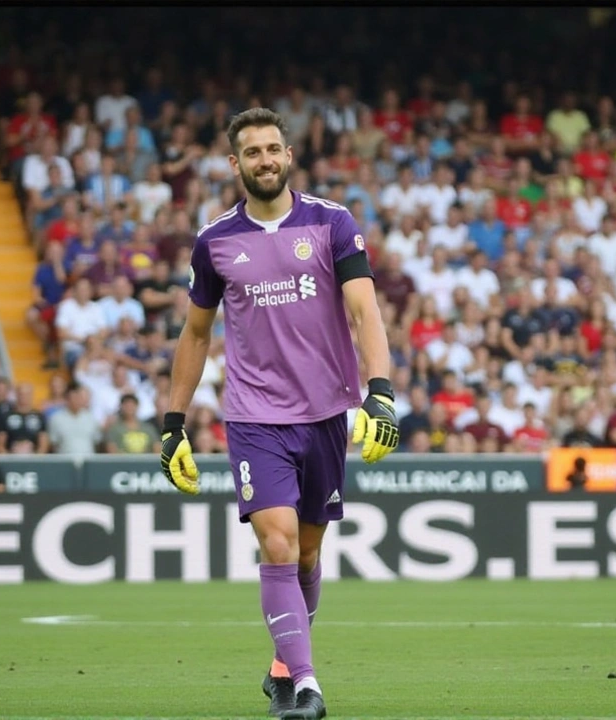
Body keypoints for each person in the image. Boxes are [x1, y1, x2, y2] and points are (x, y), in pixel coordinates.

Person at [160, 108, 399, 720]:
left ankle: (281, 667)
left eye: (273, 148)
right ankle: (308, 687)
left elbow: (364, 312)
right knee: (278, 542)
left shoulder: (332, 223)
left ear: (288, 155)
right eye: (252, 152)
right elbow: (194, 335)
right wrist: (173, 423)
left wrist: (381, 391)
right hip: (253, 417)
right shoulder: (215, 241)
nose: (265, 159)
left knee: (309, 556)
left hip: (325, 414)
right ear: (234, 163)